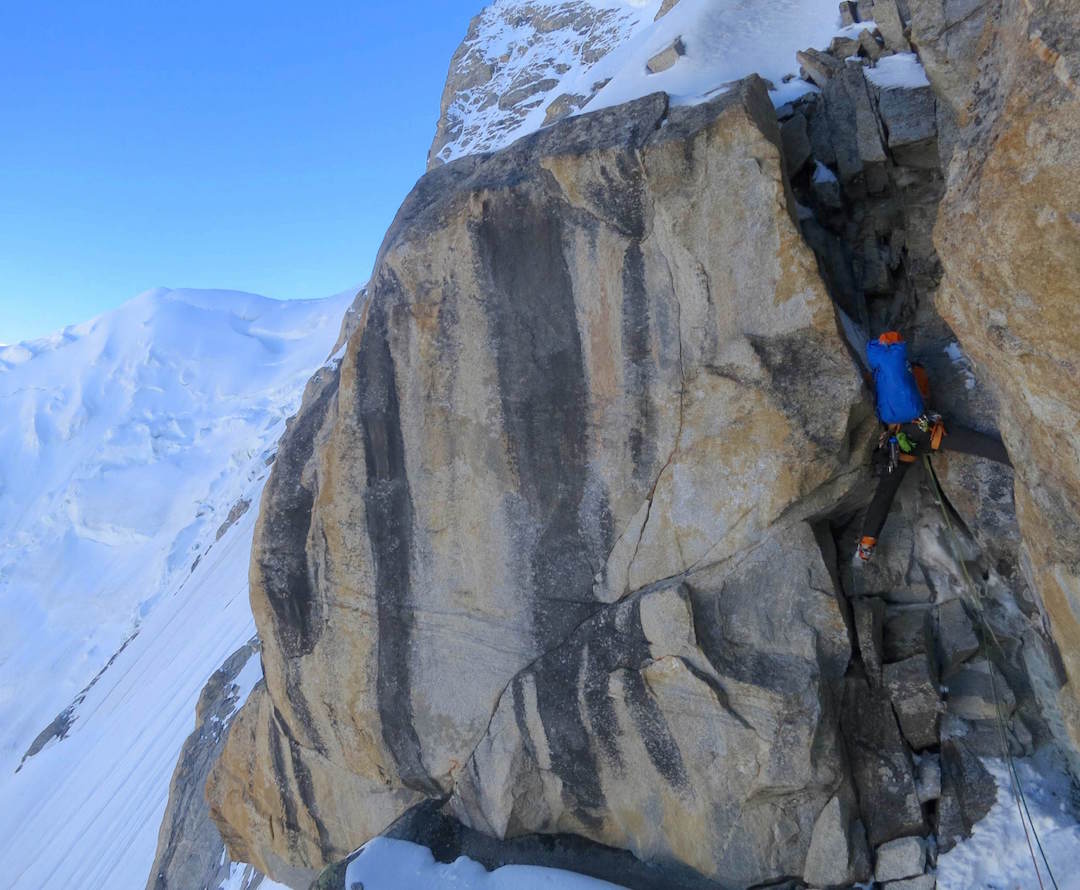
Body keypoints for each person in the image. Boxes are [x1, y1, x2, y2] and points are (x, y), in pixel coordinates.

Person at [856, 331, 1011, 562]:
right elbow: (925, 398)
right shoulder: (915, 370)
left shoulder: (875, 377)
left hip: (898, 443)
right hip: (926, 430)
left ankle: (867, 543)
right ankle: (1015, 460)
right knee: (974, 443)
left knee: (885, 491)